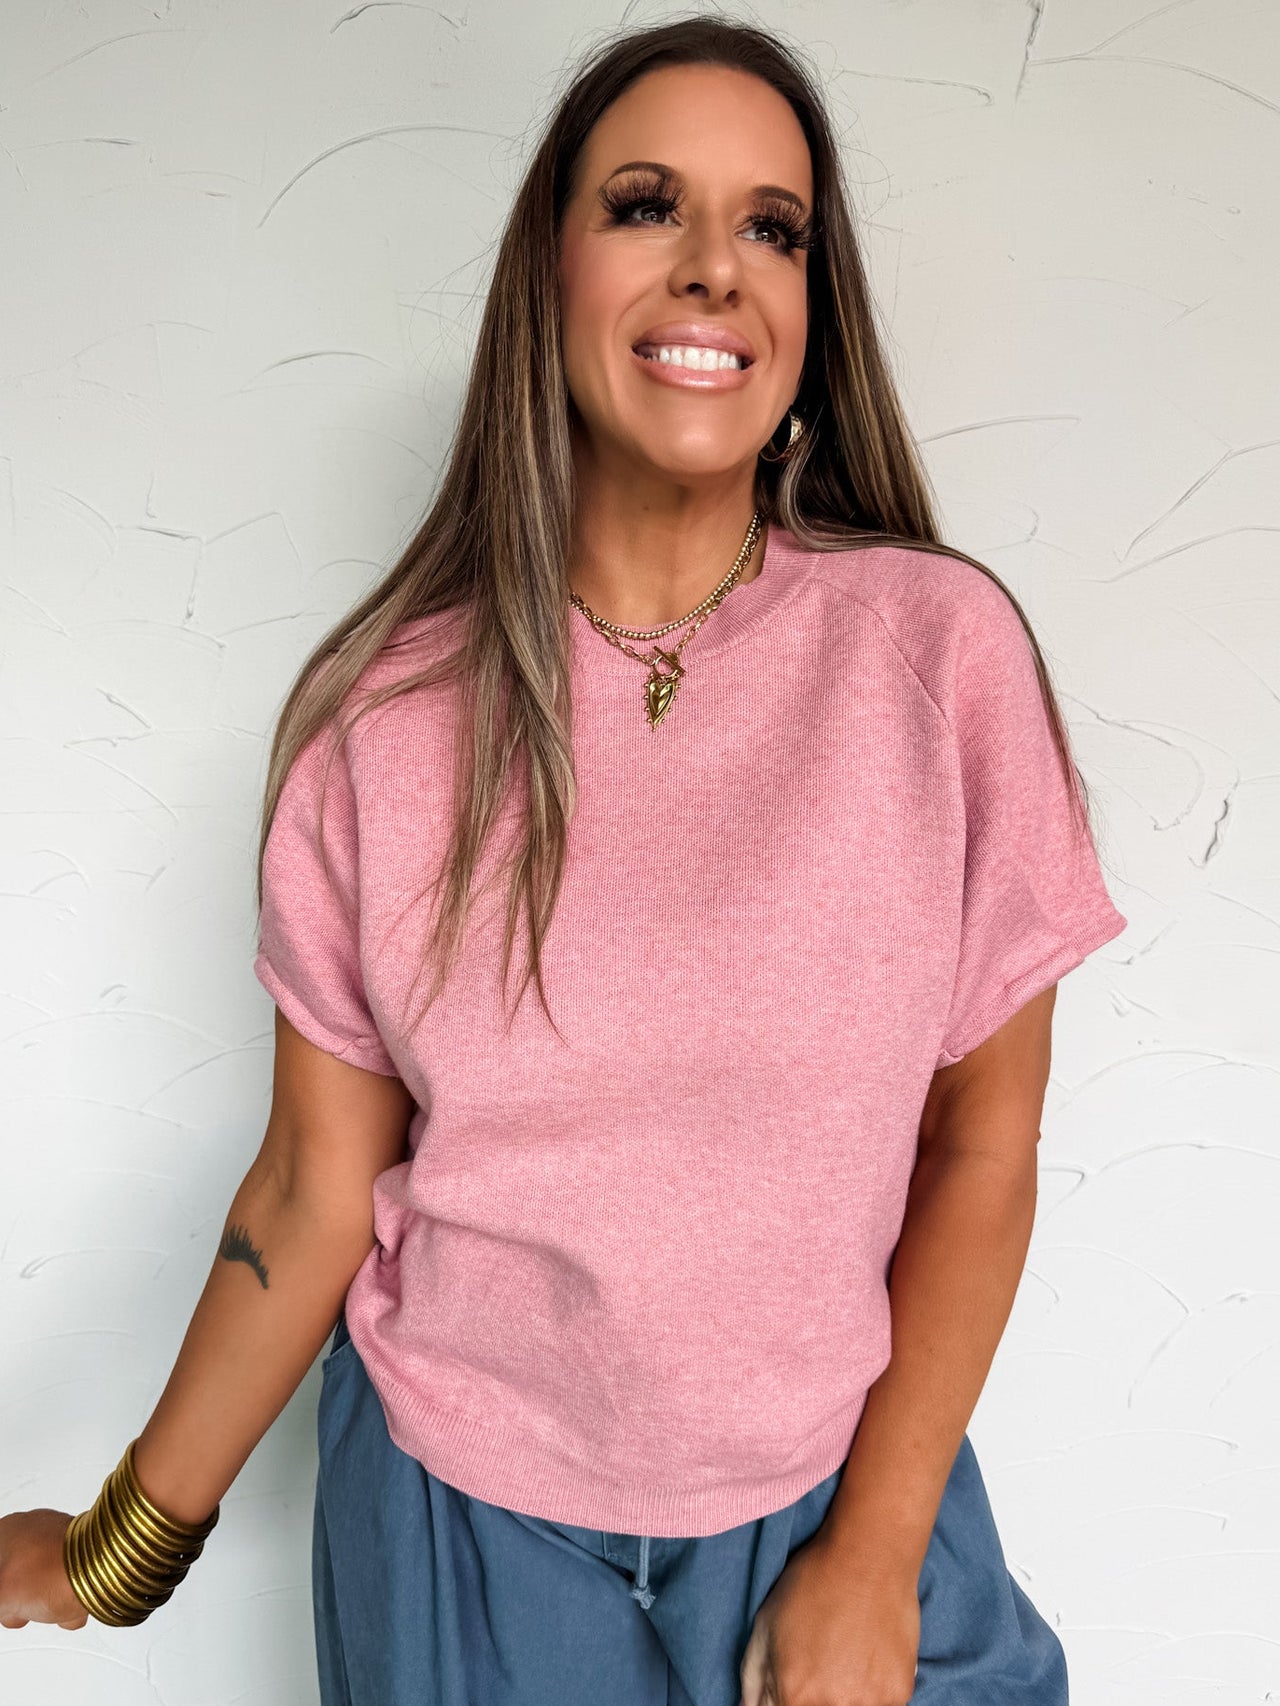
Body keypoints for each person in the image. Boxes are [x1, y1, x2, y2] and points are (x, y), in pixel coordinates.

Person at [0, 15, 1128, 1705]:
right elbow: (314, 1190)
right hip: (459, 1526)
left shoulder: (934, 657)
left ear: (815, 316)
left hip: (831, 1493)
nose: (712, 272)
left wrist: (880, 1556)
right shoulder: (379, 720)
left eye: (771, 227)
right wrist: (114, 1546)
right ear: (549, 272)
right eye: (644, 206)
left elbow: (985, 1142)